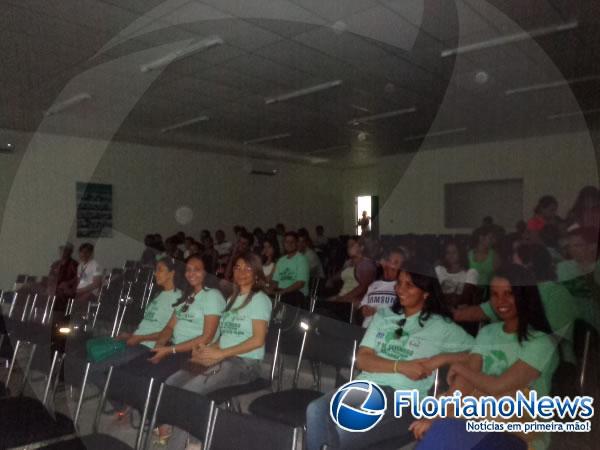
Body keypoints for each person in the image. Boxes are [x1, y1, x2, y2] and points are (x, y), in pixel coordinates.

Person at [306, 262, 474, 450]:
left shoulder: (440, 326)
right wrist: (402, 366)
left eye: (408, 285)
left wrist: (441, 359)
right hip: (365, 387)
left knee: (344, 431)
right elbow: (363, 359)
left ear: (426, 293)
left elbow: (478, 354)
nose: (400, 289)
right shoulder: (384, 316)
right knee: (315, 410)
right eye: (399, 283)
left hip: (402, 399)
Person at [412, 265, 559, 450]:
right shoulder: (489, 332)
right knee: (441, 430)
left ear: (524, 295)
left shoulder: (541, 342)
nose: (501, 301)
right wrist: (437, 415)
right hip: (477, 417)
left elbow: (497, 386)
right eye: (495, 294)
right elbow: (466, 381)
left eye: (509, 293)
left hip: (516, 430)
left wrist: (457, 366)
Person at [165, 252, 272, 450]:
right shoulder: (232, 298)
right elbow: (226, 337)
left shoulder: (259, 299)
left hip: (245, 364)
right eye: (238, 267)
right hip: (225, 357)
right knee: (173, 383)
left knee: (191, 391)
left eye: (248, 268)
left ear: (257, 273)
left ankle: (184, 443)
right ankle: (173, 428)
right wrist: (205, 349)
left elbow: (258, 340)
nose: (241, 272)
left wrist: (221, 354)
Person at [455, 244, 581, 361]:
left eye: (515, 265)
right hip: (506, 359)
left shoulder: (556, 293)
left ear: (528, 267)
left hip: (543, 365)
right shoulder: (507, 295)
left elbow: (556, 340)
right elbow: (473, 313)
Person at [90, 258, 181, 384]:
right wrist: (130, 336)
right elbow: (148, 324)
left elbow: (170, 332)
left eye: (160, 270)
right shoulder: (158, 295)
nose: (155, 273)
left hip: (146, 347)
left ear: (172, 273)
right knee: (92, 358)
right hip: (136, 342)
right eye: (155, 270)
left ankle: (121, 401)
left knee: (95, 370)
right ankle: (119, 399)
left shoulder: (178, 298)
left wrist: (139, 338)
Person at [358, 247, 405, 328]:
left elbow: (402, 314)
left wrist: (377, 312)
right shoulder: (373, 285)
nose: (392, 265)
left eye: (397, 263)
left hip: (387, 330)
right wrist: (363, 309)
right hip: (366, 329)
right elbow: (361, 307)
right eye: (390, 261)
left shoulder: (402, 287)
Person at [328, 236, 377, 305]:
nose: (349, 248)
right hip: (343, 297)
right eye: (348, 246)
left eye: (352, 245)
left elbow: (363, 288)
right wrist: (331, 279)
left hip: (355, 300)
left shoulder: (366, 264)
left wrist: (342, 299)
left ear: (361, 248)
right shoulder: (348, 262)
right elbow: (337, 276)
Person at [269, 231, 310, 307]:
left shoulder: (302, 259)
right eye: (287, 242)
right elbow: (275, 281)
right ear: (283, 244)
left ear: (297, 243)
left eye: (292, 242)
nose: (289, 244)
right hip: (281, 292)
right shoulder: (281, 260)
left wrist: (283, 292)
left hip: (296, 294)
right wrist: (270, 290)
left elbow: (300, 283)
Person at [435, 240, 479, 308]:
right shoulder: (439, 270)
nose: (451, 255)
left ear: (461, 253)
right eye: (448, 252)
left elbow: (466, 298)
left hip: (461, 311)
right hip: (441, 309)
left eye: (454, 252)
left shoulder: (471, 273)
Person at [46, 243, 78, 311]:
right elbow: (50, 276)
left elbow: (78, 278)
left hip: (66, 289)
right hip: (53, 287)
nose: (63, 252)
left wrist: (67, 284)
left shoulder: (74, 264)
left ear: (70, 252)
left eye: (65, 250)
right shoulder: (55, 264)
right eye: (61, 249)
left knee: (58, 294)